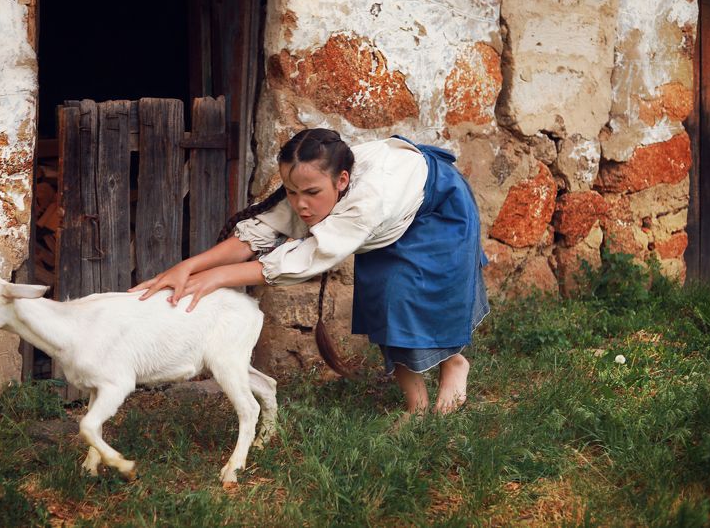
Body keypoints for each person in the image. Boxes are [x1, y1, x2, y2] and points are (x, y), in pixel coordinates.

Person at [130, 128, 488, 417]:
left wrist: (218, 277)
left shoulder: (366, 203)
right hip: (393, 216)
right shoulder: (311, 182)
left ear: (342, 180)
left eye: (312, 193)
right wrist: (188, 267)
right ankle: (418, 407)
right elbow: (263, 230)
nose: (300, 204)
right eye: (291, 191)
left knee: (410, 295)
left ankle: (454, 365)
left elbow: (307, 257)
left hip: (438, 207)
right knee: (384, 301)